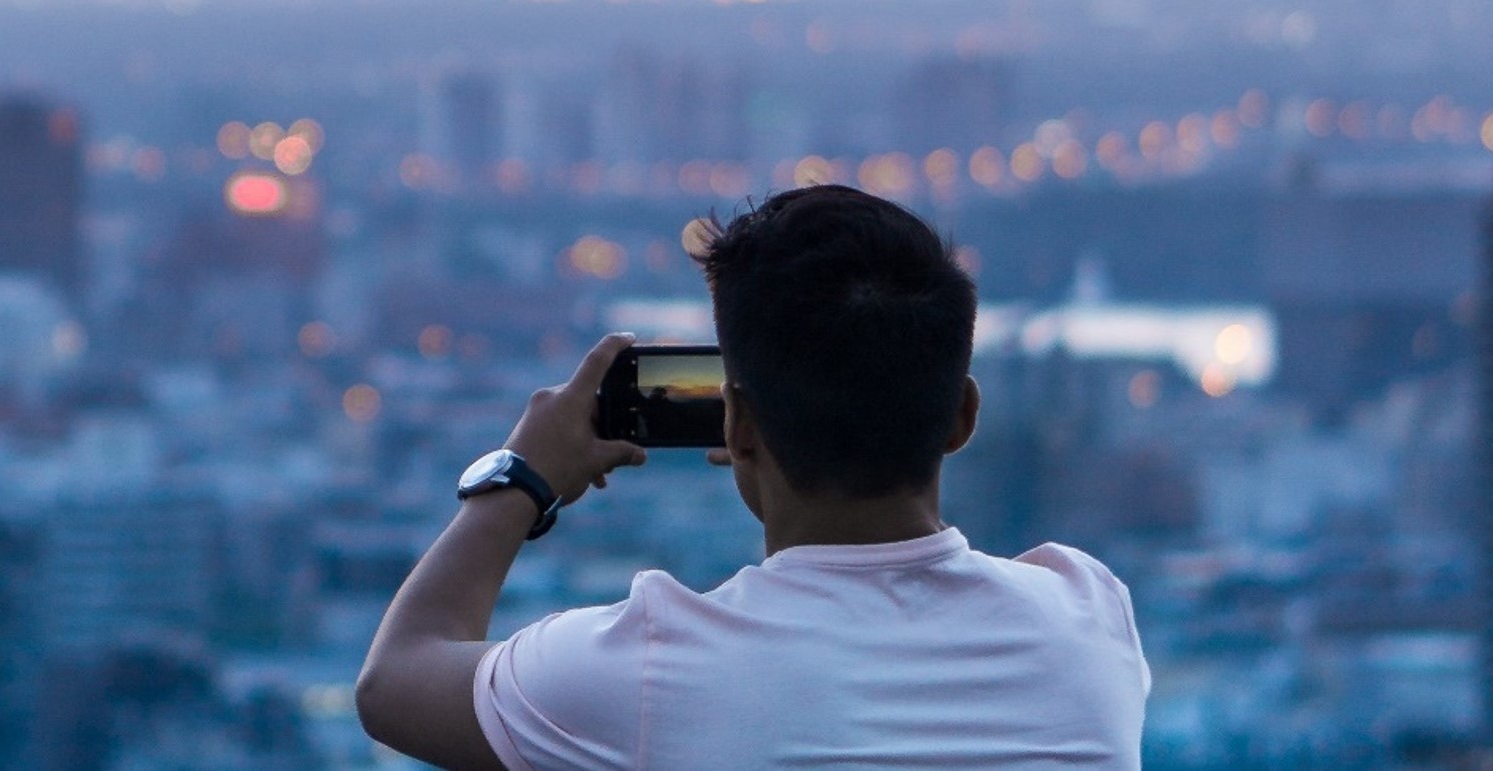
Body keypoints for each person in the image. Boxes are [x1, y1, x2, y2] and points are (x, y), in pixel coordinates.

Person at [355, 184, 1149, 770]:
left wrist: (521, 476)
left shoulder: (649, 667)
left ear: (736, 426)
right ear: (962, 416)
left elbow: (392, 682)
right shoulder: (1086, 617)